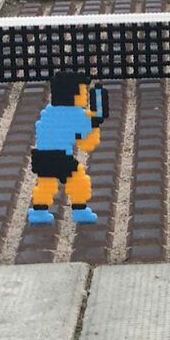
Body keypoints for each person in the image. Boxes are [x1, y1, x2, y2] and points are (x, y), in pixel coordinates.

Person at [28, 71, 108, 225]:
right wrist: (94, 123)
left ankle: (39, 211)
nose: (85, 96)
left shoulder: (50, 112)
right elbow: (86, 144)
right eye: (83, 91)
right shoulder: (75, 114)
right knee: (79, 180)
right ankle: (80, 210)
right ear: (74, 93)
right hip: (60, 157)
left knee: (46, 184)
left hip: (41, 157)